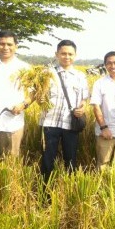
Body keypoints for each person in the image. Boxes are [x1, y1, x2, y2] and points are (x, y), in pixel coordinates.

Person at [39, 40, 89, 184]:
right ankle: (45, 192)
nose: (67, 57)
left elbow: (84, 99)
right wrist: (40, 99)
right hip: (49, 122)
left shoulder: (81, 76)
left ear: (75, 55)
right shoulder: (47, 73)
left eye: (70, 54)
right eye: (63, 53)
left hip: (70, 124)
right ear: (57, 54)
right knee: (48, 159)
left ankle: (68, 188)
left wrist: (82, 108)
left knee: (71, 158)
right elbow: (38, 96)